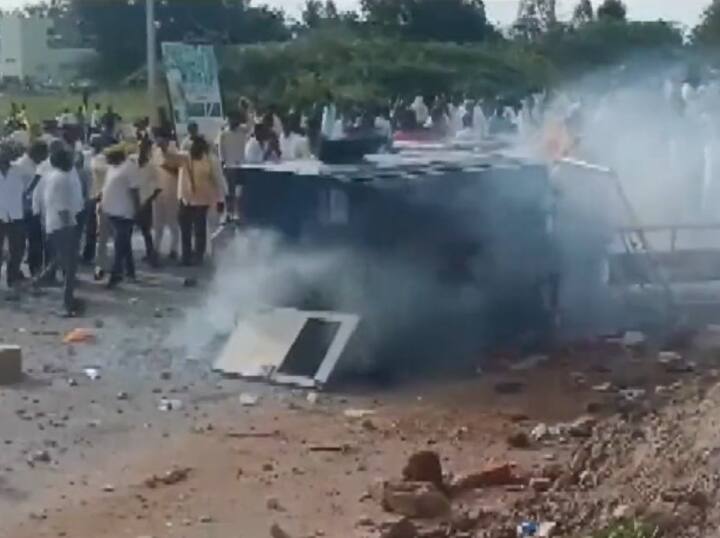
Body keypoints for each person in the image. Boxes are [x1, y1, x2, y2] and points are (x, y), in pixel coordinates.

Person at [35, 147, 83, 316]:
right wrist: (70, 229)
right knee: (70, 265)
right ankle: (67, 304)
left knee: (60, 259)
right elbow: (63, 208)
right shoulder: (62, 179)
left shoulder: (53, 176)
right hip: (62, 225)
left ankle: (37, 283)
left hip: (54, 224)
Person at [178, 137, 226, 266]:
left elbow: (219, 180)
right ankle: (186, 255)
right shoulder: (185, 158)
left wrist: (221, 199)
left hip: (202, 199)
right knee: (185, 228)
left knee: (199, 228)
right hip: (185, 198)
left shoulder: (211, 160)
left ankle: (198, 254)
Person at [101, 145, 140, 288]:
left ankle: (116, 275)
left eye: (108, 158)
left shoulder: (129, 168)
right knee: (125, 244)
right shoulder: (112, 168)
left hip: (124, 213)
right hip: (111, 212)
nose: (106, 160)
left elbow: (135, 191)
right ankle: (130, 271)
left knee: (119, 245)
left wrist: (137, 210)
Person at [14, 141, 49, 277]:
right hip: (25, 210)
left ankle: (30, 269)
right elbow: (23, 192)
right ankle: (33, 270)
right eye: (44, 155)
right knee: (31, 242)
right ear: (36, 153)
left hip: (28, 210)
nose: (45, 158)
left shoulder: (30, 165)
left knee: (30, 242)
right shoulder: (24, 168)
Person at [0, 143, 27, 293]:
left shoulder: (18, 171)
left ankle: (13, 277)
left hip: (16, 215)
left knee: (17, 250)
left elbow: (25, 190)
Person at [152, 132, 182, 261]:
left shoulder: (175, 152)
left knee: (173, 223)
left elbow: (181, 171)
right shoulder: (155, 151)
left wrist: (168, 167)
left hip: (172, 193)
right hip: (158, 193)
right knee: (157, 224)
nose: (159, 143)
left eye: (161, 141)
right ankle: (155, 250)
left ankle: (174, 250)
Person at [217, 111, 249, 220]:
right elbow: (220, 149)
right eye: (231, 119)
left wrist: (247, 110)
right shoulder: (223, 134)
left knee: (239, 191)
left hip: (241, 165)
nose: (233, 121)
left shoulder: (242, 131)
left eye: (235, 119)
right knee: (229, 191)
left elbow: (252, 125)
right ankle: (229, 213)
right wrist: (222, 162)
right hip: (229, 166)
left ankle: (237, 212)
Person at [134, 137, 160, 267]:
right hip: (135, 201)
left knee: (145, 230)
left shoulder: (150, 167)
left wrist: (148, 201)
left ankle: (152, 255)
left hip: (143, 201)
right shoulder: (133, 164)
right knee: (141, 230)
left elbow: (158, 187)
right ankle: (151, 254)